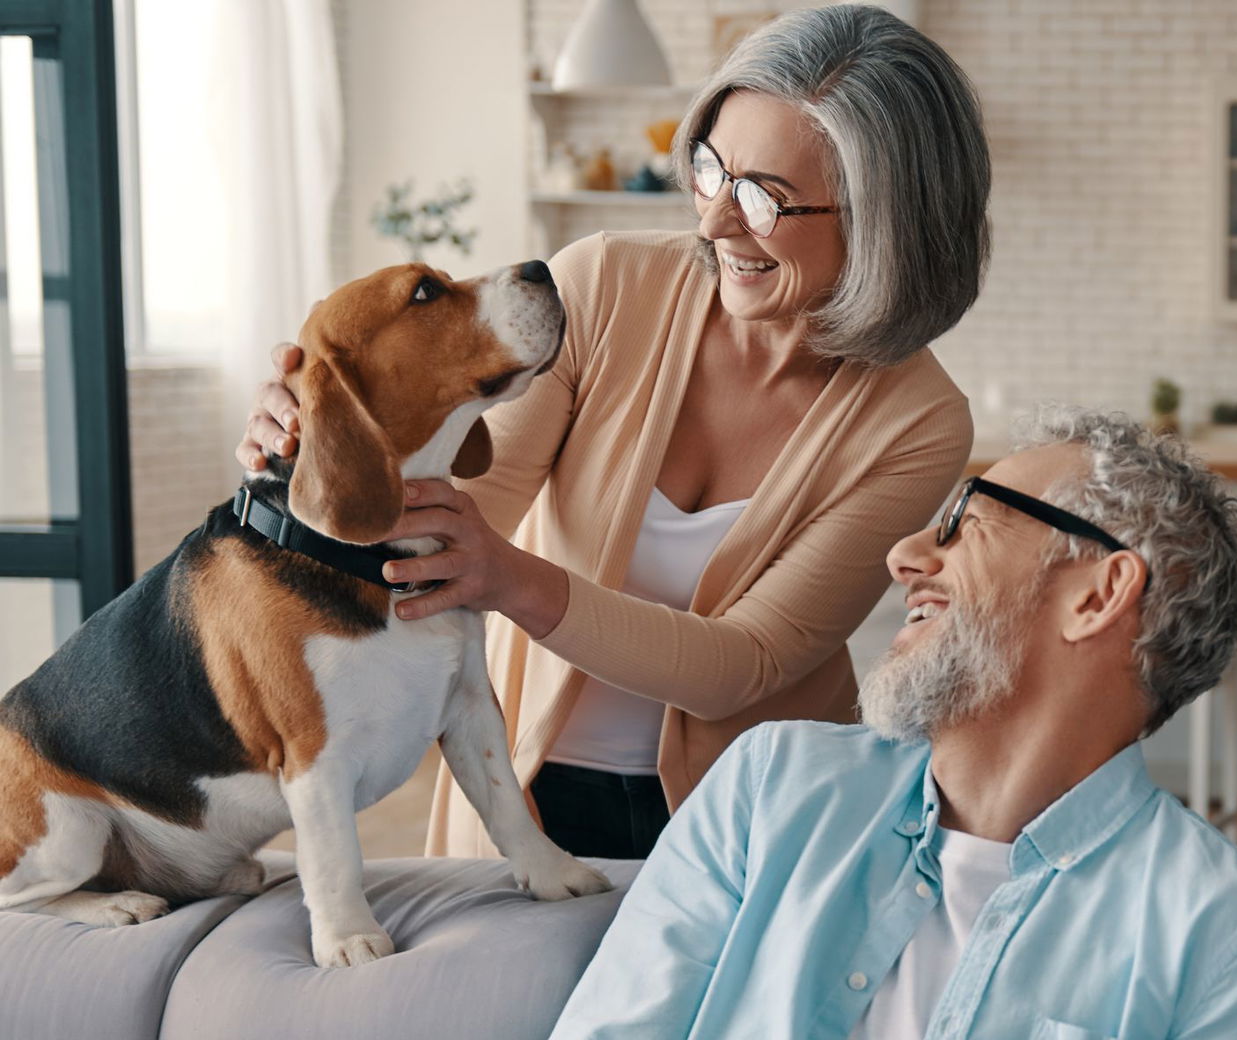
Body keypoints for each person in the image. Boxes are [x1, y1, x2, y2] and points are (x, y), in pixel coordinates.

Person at [447, 409, 1237, 1040]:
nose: (907, 555)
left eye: (964, 524)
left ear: (1099, 594)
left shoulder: (1229, 935)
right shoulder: (769, 788)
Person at [237, 5, 989, 860]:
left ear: (884, 219)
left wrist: (512, 578)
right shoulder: (602, 285)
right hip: (524, 785)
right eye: (711, 169)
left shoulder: (919, 424)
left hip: (753, 822)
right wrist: (320, 434)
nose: (714, 223)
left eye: (764, 197)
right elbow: (446, 511)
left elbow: (745, 663)